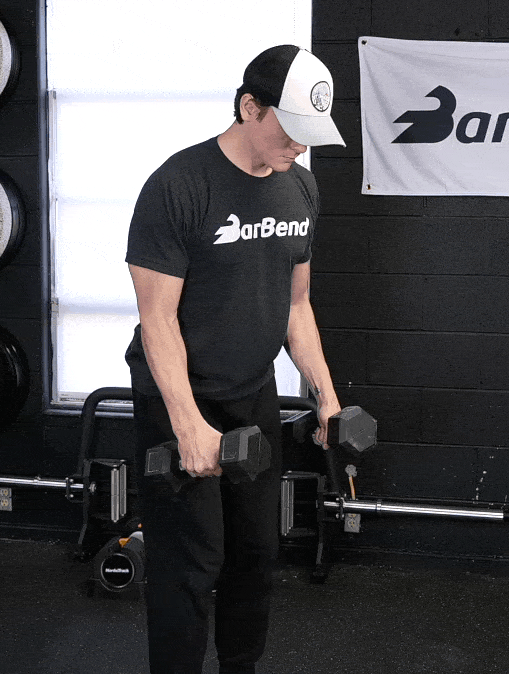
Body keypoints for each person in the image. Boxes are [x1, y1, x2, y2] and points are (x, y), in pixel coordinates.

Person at [123, 45, 346, 674]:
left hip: (253, 393)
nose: (300, 146)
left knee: (255, 553)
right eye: (290, 129)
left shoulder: (300, 187)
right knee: (190, 563)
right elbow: (157, 318)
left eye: (310, 133)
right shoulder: (179, 185)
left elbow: (296, 305)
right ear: (250, 107)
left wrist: (326, 395)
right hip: (180, 397)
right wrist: (188, 425)